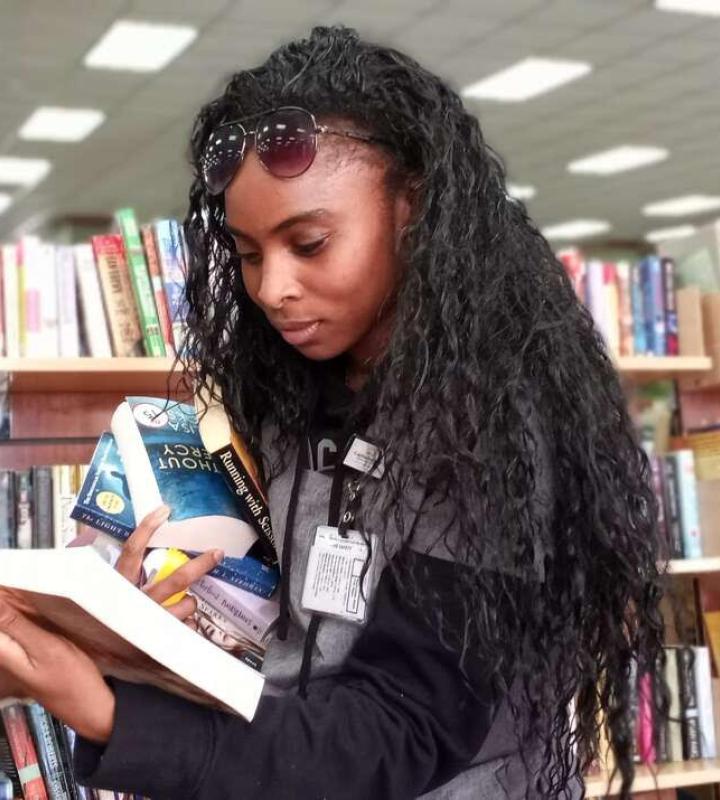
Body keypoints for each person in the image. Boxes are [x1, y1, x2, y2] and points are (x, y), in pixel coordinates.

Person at [0, 26, 665, 800]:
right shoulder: (283, 397)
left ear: (412, 209)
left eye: (308, 243)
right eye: (248, 254)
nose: (271, 287)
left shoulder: (493, 434)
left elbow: (403, 729)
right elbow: (283, 652)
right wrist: (146, 638)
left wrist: (115, 715)